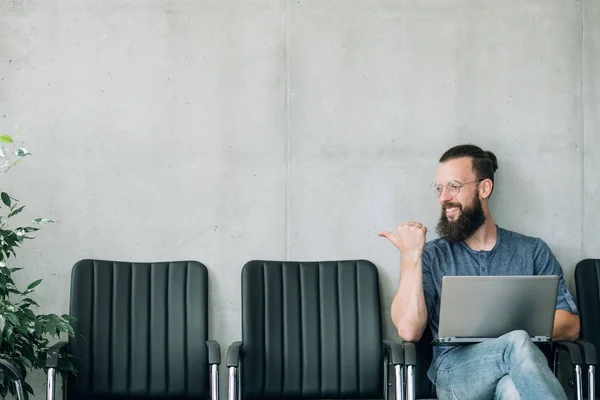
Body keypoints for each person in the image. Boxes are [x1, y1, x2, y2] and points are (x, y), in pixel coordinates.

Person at [379, 144, 580, 400]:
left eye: (453, 186)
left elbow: (571, 325)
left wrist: (502, 333)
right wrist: (411, 256)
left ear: (484, 188)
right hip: (456, 374)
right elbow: (409, 330)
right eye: (439, 188)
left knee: (512, 389)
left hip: (522, 373)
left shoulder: (532, 251)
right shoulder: (433, 254)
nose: (443, 198)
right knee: (516, 341)